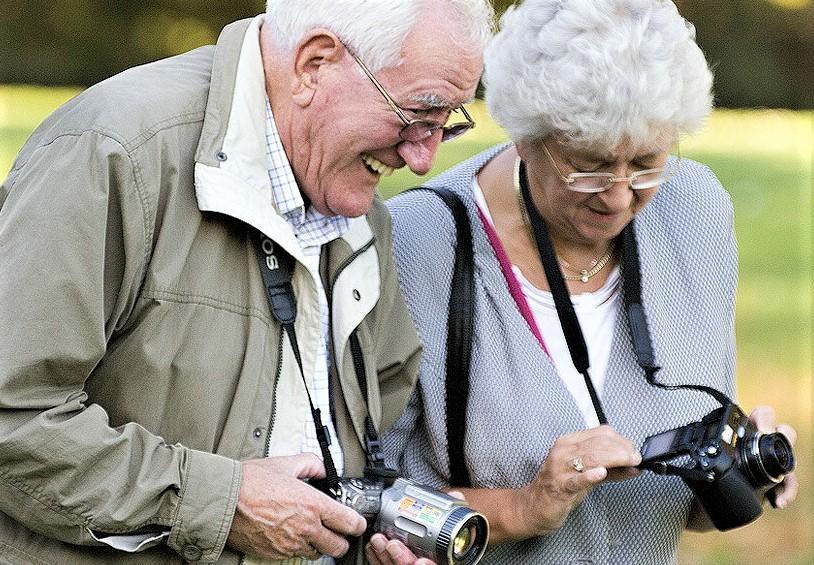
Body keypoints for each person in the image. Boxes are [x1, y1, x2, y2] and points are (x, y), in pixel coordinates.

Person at [0, 1, 493, 564]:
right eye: (417, 116)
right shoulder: (116, 150)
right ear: (314, 64)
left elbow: (357, 429)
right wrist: (220, 504)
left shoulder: (354, 203)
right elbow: (12, 415)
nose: (425, 158)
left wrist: (361, 540)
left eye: (447, 124)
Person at [383, 0, 799, 563]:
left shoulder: (695, 210)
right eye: (591, 165)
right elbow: (365, 501)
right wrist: (525, 507)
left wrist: (744, 467)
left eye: (648, 161)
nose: (621, 196)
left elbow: (669, 503)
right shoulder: (420, 243)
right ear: (527, 137)